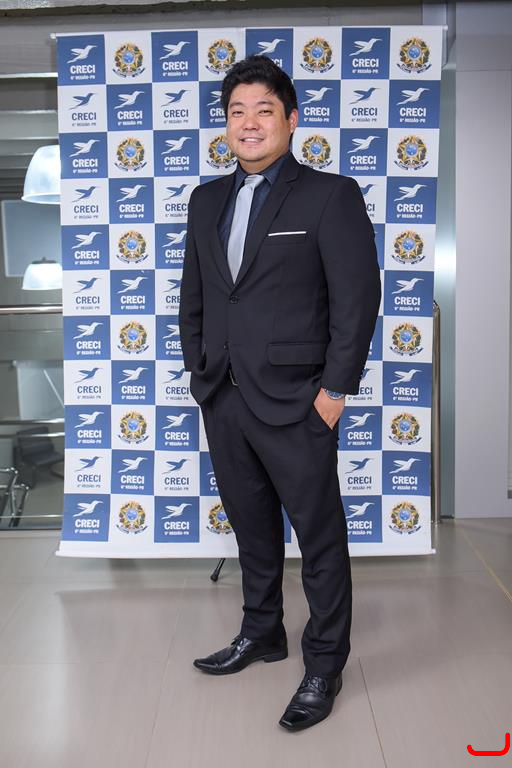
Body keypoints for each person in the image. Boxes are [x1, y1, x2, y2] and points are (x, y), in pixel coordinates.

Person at [178, 54, 381, 731]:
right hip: (224, 396)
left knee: (319, 539)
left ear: (290, 120)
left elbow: (357, 299)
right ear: (225, 125)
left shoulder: (330, 195)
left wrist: (334, 391)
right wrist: (200, 372)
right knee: (251, 527)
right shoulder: (206, 200)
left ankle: (324, 664)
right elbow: (196, 296)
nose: (249, 123)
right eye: (236, 112)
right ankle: (262, 631)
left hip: (299, 400)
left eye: (263, 110)